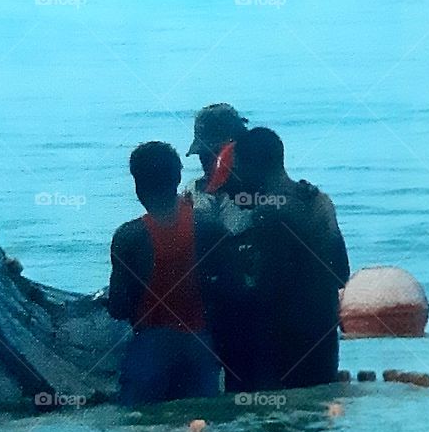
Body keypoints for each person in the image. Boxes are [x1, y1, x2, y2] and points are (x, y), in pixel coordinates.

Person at [223, 127, 350, 389]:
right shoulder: (320, 202)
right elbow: (342, 273)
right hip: (323, 338)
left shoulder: (267, 214)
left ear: (253, 165)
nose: (237, 175)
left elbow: (268, 290)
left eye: (239, 167)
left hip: (283, 346)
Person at [107, 141, 226, 406]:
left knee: (143, 430)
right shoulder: (210, 228)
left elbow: (117, 307)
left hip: (150, 351)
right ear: (178, 177)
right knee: (201, 423)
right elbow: (228, 292)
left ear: (137, 184)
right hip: (201, 347)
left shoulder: (129, 237)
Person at [185, 103, 248, 200]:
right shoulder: (192, 190)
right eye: (202, 154)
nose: (204, 161)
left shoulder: (258, 192)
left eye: (212, 154)